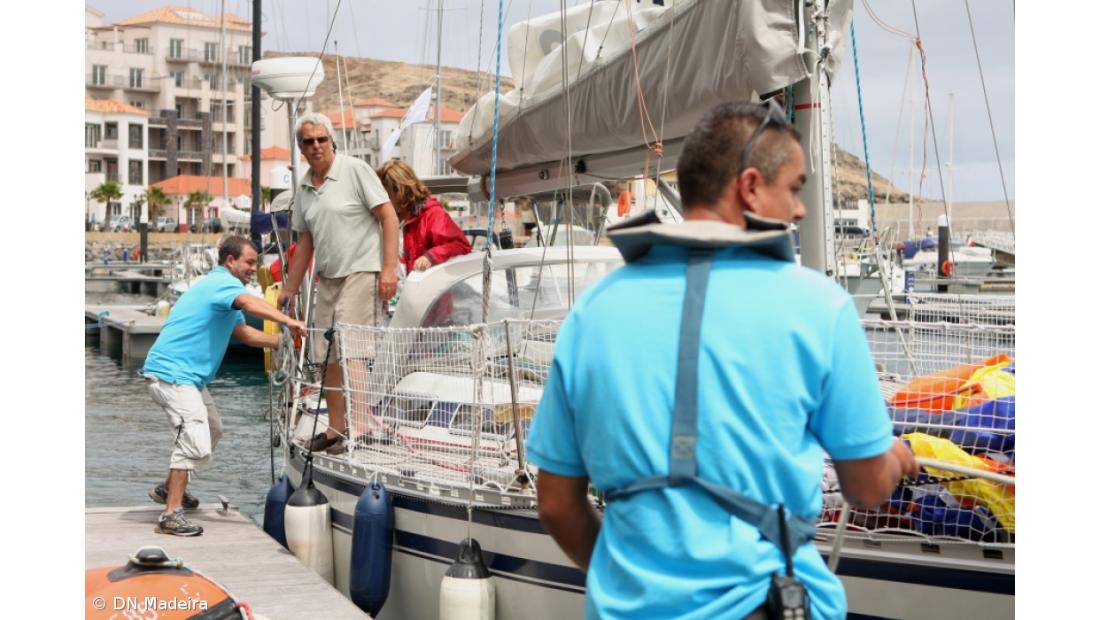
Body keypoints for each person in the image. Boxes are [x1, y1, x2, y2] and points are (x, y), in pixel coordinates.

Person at [526, 101, 919, 619]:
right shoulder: (818, 305)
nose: (800, 210)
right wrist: (895, 456)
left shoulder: (592, 312)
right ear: (751, 186)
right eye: (795, 188)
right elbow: (866, 487)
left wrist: (623, 573)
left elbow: (556, 502)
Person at [143, 236, 306, 536]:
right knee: (194, 438)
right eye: (249, 262)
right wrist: (289, 321)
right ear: (230, 261)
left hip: (186, 378)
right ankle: (170, 515)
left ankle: (168, 490)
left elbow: (244, 334)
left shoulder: (222, 292)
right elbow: (247, 302)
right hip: (172, 375)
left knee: (212, 429)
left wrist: (283, 341)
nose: (253, 269)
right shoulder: (222, 284)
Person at [277, 113, 400, 454]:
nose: (316, 146)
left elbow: (389, 217)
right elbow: (305, 243)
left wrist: (389, 269)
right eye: (308, 141)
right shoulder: (303, 187)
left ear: (332, 141)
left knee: (352, 348)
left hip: (362, 270)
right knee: (326, 353)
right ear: (300, 147)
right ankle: (335, 428)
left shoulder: (355, 170)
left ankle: (360, 427)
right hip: (328, 278)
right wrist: (289, 288)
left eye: (321, 139)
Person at [375, 159, 472, 275]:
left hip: (423, 289)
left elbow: (461, 245)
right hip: (396, 289)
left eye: (386, 195)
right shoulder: (383, 218)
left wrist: (430, 257)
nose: (381, 200)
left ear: (399, 190)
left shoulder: (432, 214)